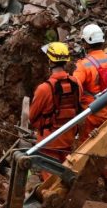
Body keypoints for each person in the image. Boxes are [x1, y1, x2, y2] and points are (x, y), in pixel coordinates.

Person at [73, 23, 107, 186]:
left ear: (86, 43)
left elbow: (75, 90)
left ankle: (80, 182)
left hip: (90, 116)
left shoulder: (83, 65)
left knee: (85, 148)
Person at [28, 42, 81, 170]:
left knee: (49, 182)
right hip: (68, 139)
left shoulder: (44, 89)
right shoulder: (76, 83)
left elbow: (32, 117)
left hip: (48, 141)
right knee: (65, 175)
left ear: (50, 62)